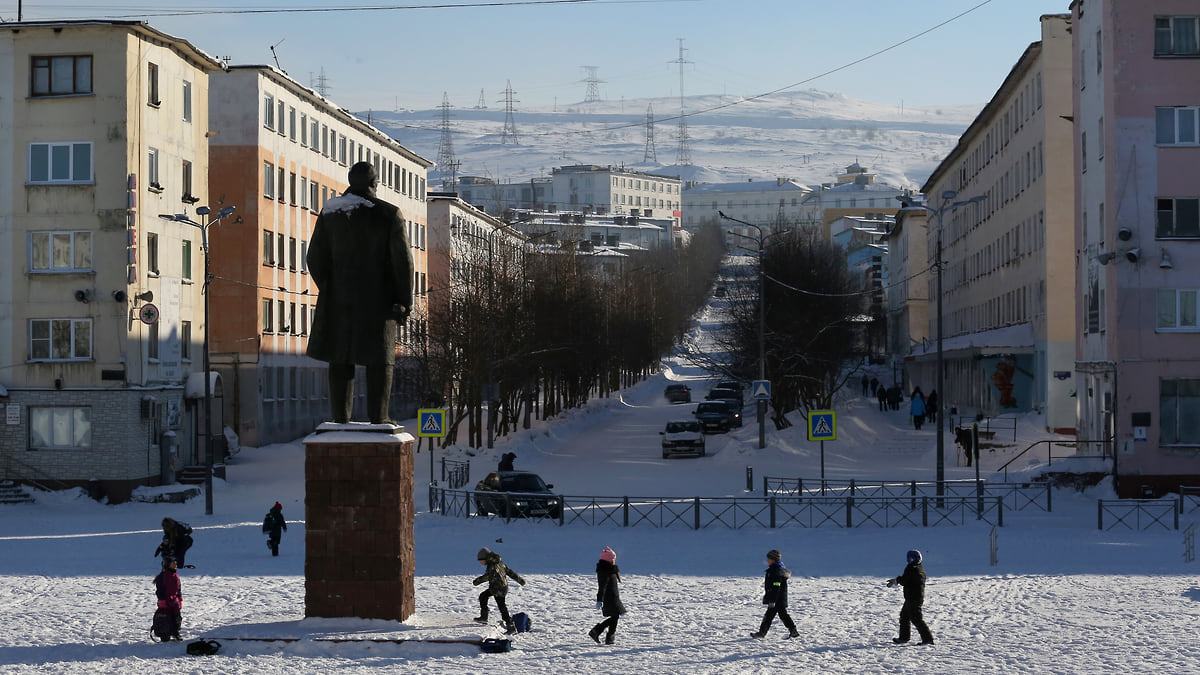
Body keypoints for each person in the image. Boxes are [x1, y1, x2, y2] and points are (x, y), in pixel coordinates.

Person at [306, 161, 414, 426]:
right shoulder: (388, 214)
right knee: (380, 360)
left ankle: (340, 417)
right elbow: (403, 262)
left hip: (338, 302)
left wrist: (331, 287)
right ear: (373, 184)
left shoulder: (330, 214)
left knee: (340, 359)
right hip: (379, 302)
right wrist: (403, 301)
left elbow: (314, 257)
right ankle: (380, 416)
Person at [473, 547, 526, 634]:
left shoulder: (493, 566)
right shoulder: (498, 563)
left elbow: (487, 577)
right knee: (483, 596)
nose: (480, 562)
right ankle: (484, 618)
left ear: (486, 558)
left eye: (481, 560)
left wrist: (476, 581)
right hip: (496, 587)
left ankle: (511, 626)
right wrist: (520, 580)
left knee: (502, 607)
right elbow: (509, 571)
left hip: (499, 589)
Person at [887, 549, 934, 645]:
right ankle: (904, 638)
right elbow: (907, 580)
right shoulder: (918, 567)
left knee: (916, 618)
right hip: (912, 597)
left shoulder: (913, 568)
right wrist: (897, 580)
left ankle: (928, 639)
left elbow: (905, 580)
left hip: (913, 598)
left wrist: (897, 580)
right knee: (904, 617)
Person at [750, 549, 800, 640]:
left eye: (768, 559)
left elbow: (776, 586)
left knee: (771, 616)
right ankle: (793, 631)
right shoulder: (775, 570)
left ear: (773, 559)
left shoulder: (776, 571)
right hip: (777, 598)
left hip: (777, 598)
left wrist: (772, 600)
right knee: (781, 615)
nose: (767, 561)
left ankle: (762, 633)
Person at [588, 546, 626, 645]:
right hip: (609, 598)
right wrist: (599, 600)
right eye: (613, 559)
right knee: (615, 617)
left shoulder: (610, 569)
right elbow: (602, 586)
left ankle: (607, 636)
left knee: (615, 616)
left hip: (614, 597)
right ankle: (600, 633)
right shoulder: (605, 571)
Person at [153, 555, 183, 641]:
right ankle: (165, 634)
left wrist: (180, 599)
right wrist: (162, 600)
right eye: (173, 562)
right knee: (166, 618)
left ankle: (176, 633)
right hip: (166, 601)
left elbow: (178, 589)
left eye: (175, 562)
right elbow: (160, 590)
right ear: (167, 564)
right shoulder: (163, 576)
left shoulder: (175, 575)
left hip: (175, 601)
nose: (175, 563)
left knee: (177, 617)